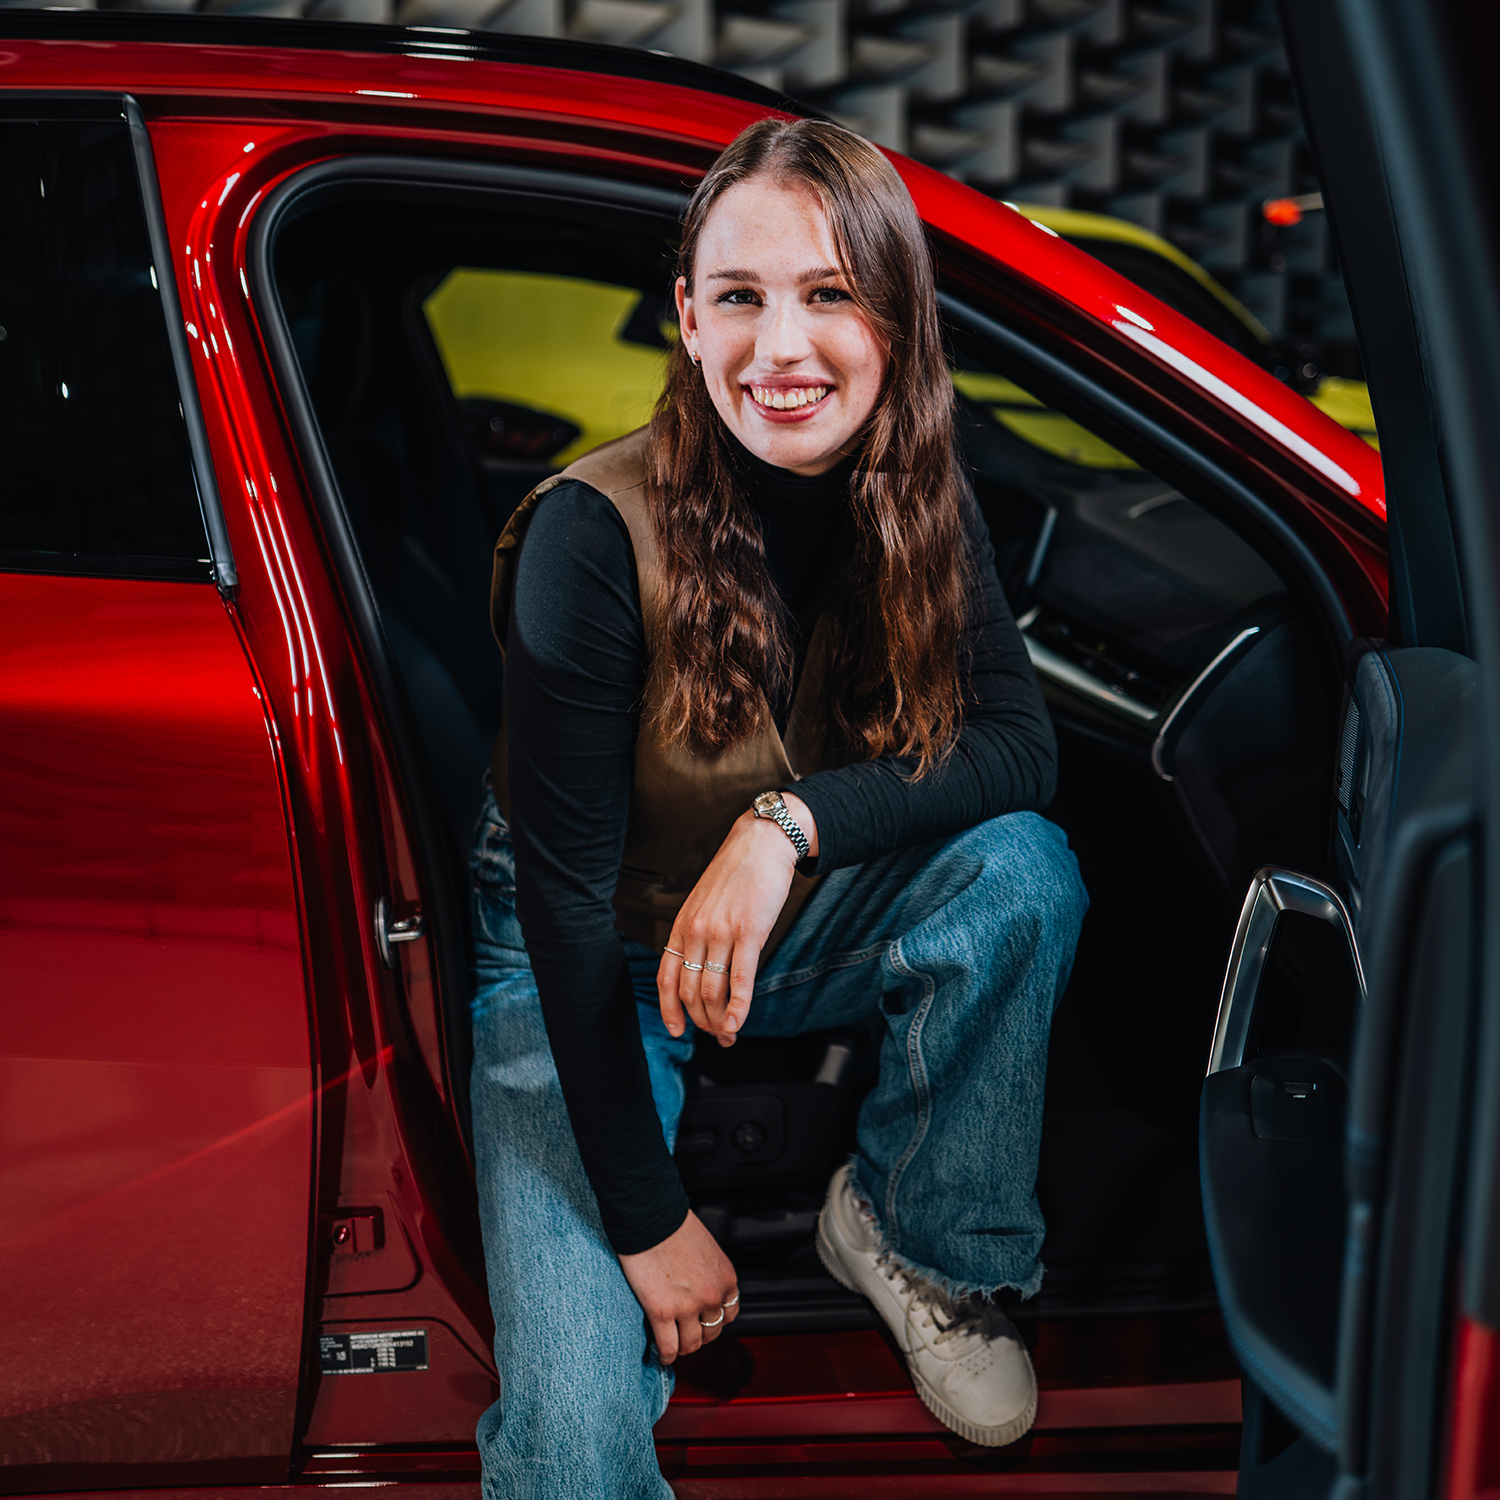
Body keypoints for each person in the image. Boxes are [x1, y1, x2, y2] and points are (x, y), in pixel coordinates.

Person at [467, 116, 1087, 1499]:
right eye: (740, 298)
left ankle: (913, 1239)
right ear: (687, 320)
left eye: (828, 295)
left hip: (772, 916)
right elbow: (565, 913)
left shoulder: (917, 491)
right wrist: (647, 1219)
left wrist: (784, 826)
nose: (782, 350)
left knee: (1021, 875)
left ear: (895, 315)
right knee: (570, 1456)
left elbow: (1017, 749)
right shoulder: (590, 532)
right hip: (584, 952)